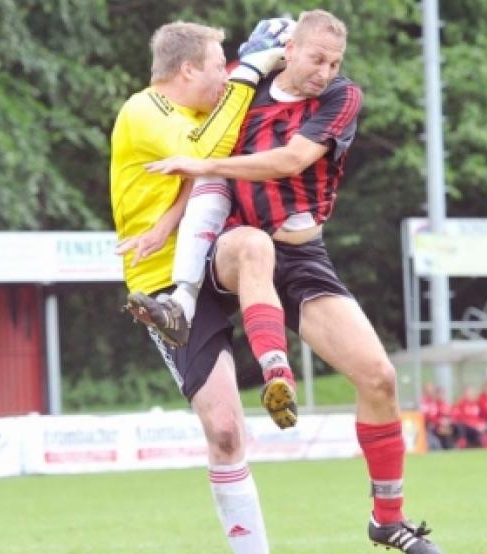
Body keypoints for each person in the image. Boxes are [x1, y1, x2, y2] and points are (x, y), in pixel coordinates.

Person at [145, 10, 442, 553]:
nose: (326, 71)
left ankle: (388, 519)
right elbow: (204, 146)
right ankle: (274, 370)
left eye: (334, 62)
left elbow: (289, 161)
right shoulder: (243, 85)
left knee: (378, 378)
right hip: (234, 249)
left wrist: (197, 165)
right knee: (253, 246)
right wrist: (170, 212)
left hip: (303, 260)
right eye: (316, 59)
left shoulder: (341, 99)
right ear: (290, 51)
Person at [109, 20, 287, 553]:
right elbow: (206, 149)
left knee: (255, 245)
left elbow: (209, 164)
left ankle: (279, 359)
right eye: (218, 65)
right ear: (187, 69)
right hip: (158, 279)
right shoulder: (146, 111)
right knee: (227, 431)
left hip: (217, 253)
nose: (225, 74)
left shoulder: (201, 110)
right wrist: (252, 69)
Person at [421, 383, 455, 450]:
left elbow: (449, 415)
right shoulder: (425, 402)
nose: (430, 392)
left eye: (431, 390)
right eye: (428, 390)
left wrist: (446, 423)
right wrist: (439, 422)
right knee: (442, 435)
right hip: (431, 427)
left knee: (452, 430)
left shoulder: (440, 403)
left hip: (441, 426)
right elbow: (429, 417)